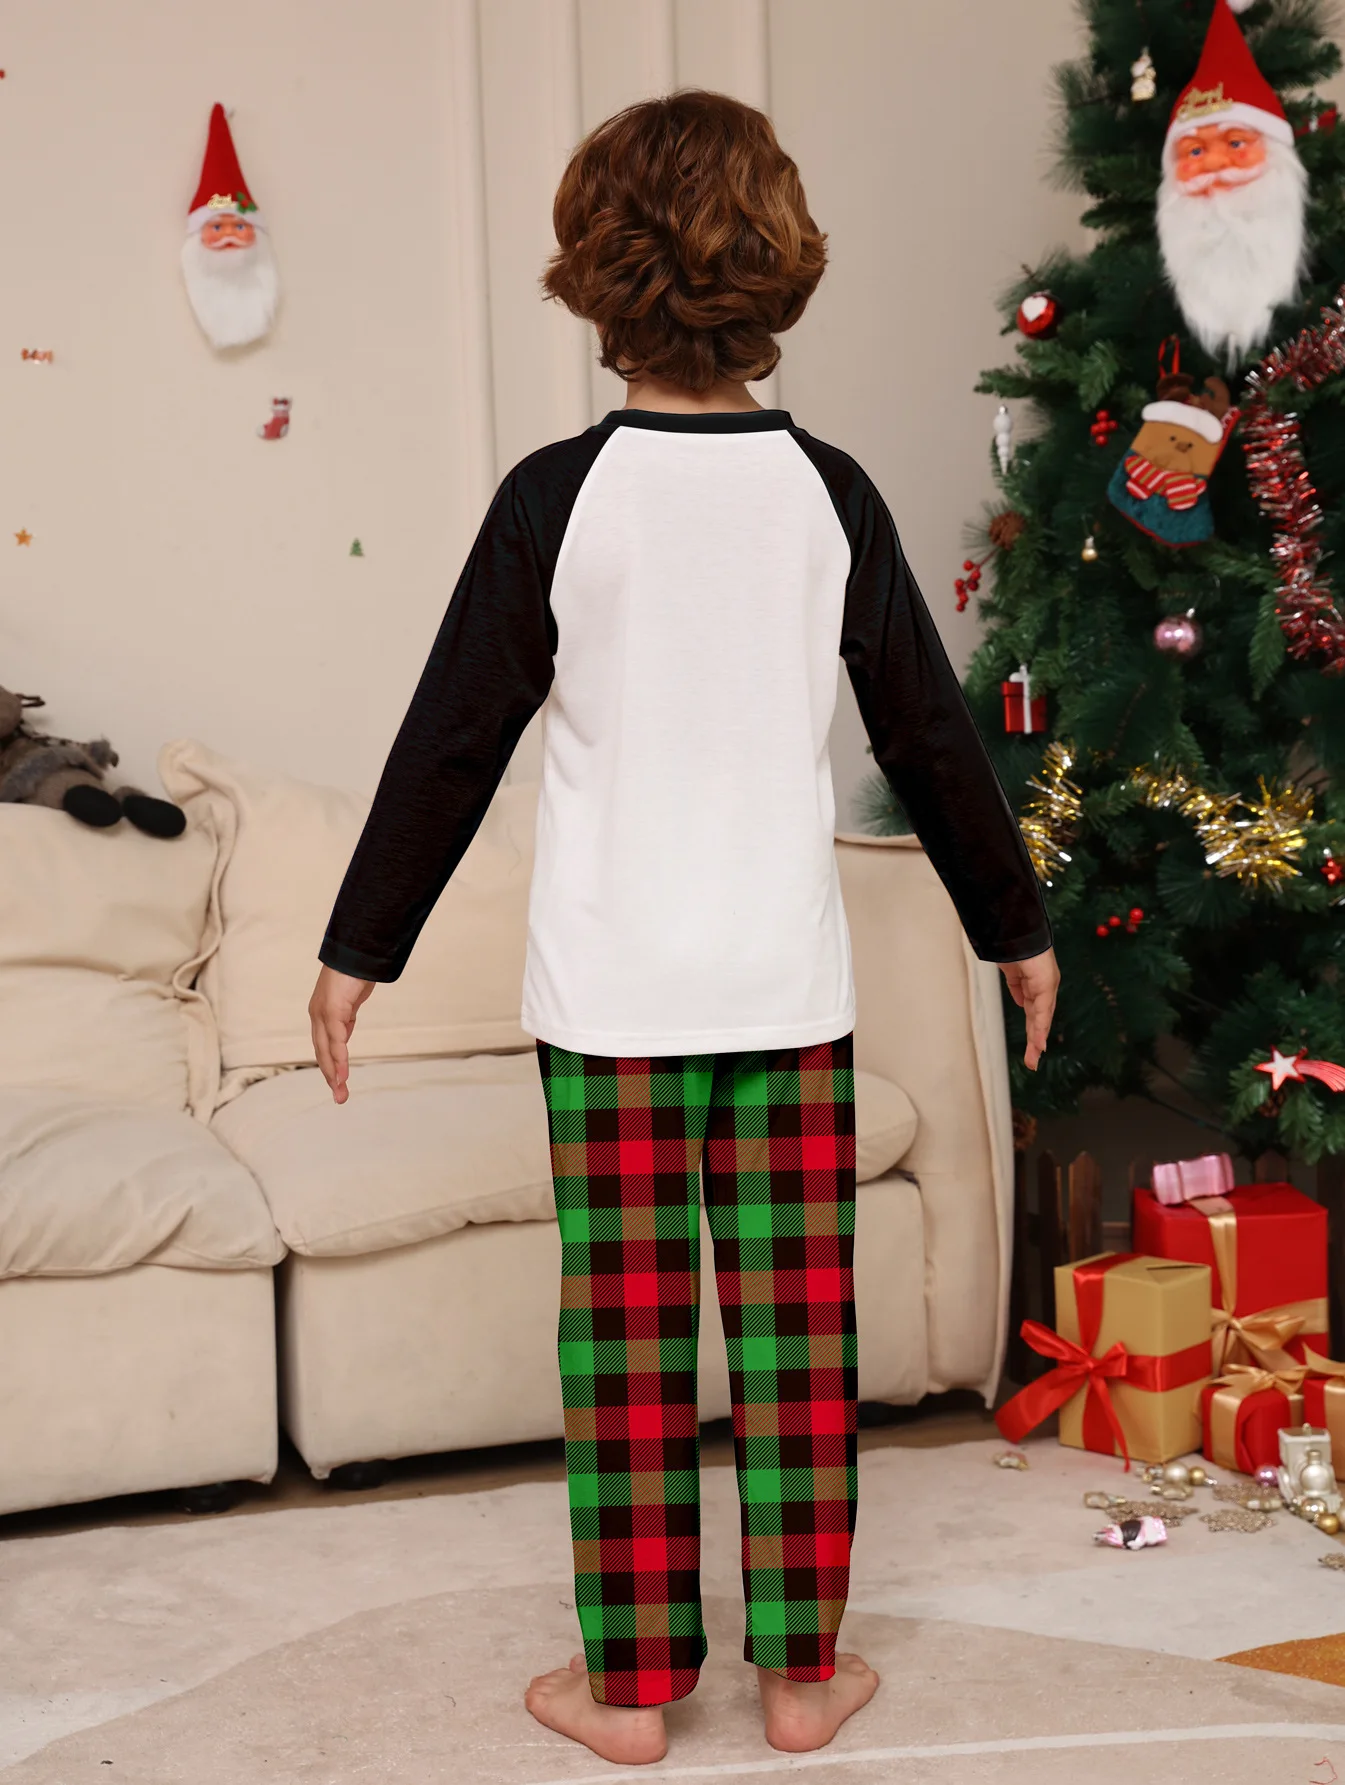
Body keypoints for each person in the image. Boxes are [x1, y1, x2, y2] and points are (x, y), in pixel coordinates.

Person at [308, 88, 1059, 1769]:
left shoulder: (553, 499)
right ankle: (800, 1681)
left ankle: (634, 1693)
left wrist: (358, 950)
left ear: (596, 273)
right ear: (779, 263)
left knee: (631, 1352)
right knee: (798, 1347)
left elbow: (451, 742)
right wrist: (1015, 926)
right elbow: (932, 736)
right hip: (784, 998)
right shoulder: (830, 494)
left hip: (613, 1011)